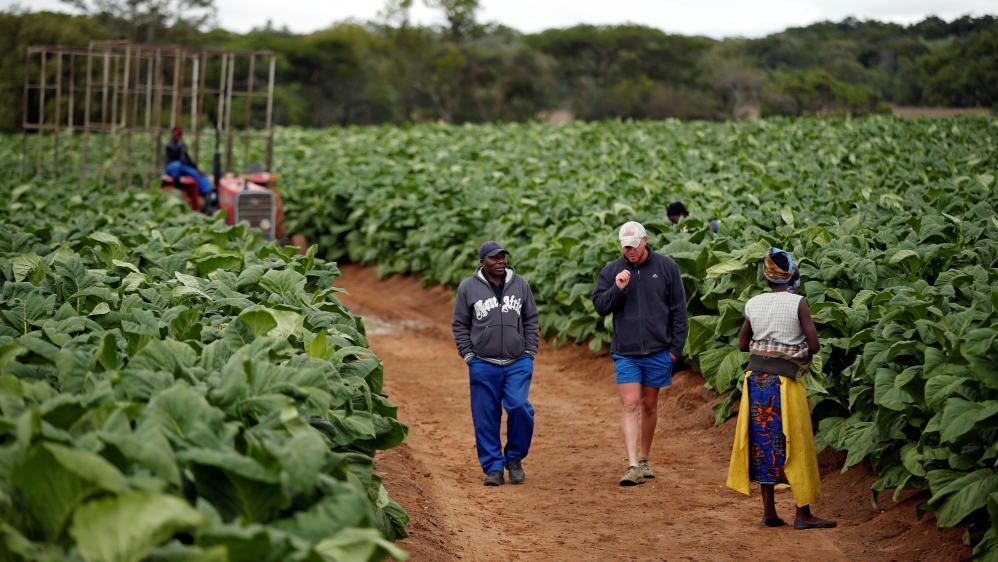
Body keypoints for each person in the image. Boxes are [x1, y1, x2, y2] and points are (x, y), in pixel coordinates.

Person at [726, 248, 836, 530]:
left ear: (765, 276)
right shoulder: (797, 302)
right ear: (790, 275)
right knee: (795, 442)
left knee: (763, 443)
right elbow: (814, 346)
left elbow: (742, 344)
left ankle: (769, 513)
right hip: (786, 382)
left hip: (757, 382)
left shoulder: (754, 303)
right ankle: (803, 514)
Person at [592, 222, 688, 486]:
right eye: (625, 246)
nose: (630, 251)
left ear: (645, 241)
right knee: (630, 403)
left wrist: (674, 351)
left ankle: (644, 458)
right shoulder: (612, 271)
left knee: (649, 405)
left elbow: (679, 310)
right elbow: (600, 306)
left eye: (634, 246)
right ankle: (633, 465)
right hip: (626, 352)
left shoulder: (666, 267)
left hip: (659, 351)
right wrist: (618, 288)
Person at [452, 241, 539, 486]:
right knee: (485, 416)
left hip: (517, 361)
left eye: (503, 256)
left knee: (520, 406)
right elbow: (460, 324)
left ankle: (514, 458)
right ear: (483, 262)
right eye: (494, 258)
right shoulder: (468, 288)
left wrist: (530, 351)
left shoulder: (520, 283)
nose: (500, 261)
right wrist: (469, 355)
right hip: (483, 363)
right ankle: (493, 468)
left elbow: (531, 318)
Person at [165, 126, 212, 197]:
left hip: (182, 167)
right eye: (177, 135)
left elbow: (187, 159)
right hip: (171, 167)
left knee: (201, 176)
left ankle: (206, 197)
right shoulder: (170, 145)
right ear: (173, 135)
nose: (178, 136)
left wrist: (196, 169)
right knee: (177, 165)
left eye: (180, 135)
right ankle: (176, 187)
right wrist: (179, 147)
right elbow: (175, 157)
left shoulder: (182, 145)